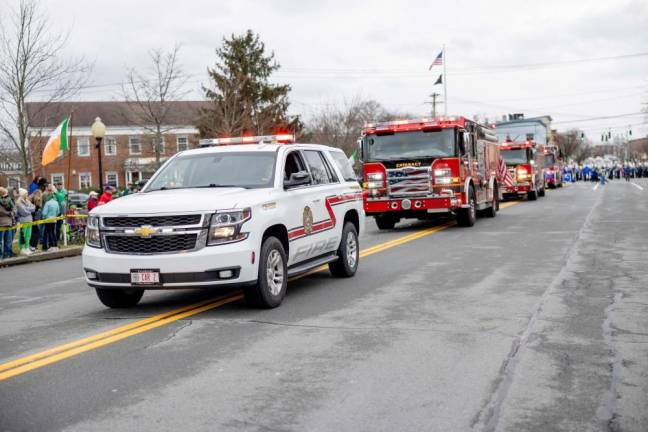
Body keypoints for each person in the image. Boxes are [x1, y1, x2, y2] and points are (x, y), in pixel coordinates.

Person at [16, 188, 35, 256]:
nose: (27, 194)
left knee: (28, 235)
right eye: (26, 193)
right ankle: (22, 248)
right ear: (23, 194)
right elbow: (23, 212)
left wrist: (28, 209)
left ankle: (27, 247)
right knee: (23, 235)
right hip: (23, 221)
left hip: (29, 220)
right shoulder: (19, 202)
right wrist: (29, 209)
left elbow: (34, 207)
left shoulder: (27, 201)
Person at [41, 186, 60, 251]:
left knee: (49, 233)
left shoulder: (47, 203)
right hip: (54, 220)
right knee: (53, 232)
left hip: (48, 220)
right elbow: (58, 212)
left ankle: (51, 246)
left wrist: (44, 218)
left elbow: (44, 213)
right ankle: (55, 245)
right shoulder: (56, 203)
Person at [0, 186, 17, 259]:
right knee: (2, 241)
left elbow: (14, 209)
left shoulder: (10, 200)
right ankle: (3, 255)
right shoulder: (10, 200)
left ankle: (6, 255)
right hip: (3, 223)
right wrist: (11, 213)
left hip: (8, 222)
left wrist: (10, 213)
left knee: (7, 241)